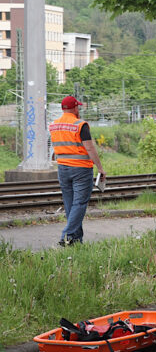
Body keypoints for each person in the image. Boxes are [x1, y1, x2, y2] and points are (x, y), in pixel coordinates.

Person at [48, 95, 105, 246]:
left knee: (70, 204)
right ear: (74, 108)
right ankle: (67, 235)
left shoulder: (53, 125)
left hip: (62, 169)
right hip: (80, 169)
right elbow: (90, 148)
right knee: (79, 203)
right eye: (77, 106)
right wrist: (100, 167)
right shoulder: (80, 125)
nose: (78, 109)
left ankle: (75, 240)